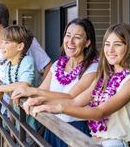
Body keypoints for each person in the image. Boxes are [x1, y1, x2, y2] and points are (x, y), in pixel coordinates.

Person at [28, 23, 130, 147]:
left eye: (117, 45)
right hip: (93, 141)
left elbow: (99, 112)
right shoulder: (104, 77)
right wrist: (40, 102)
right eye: (107, 44)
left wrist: (58, 108)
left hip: (115, 143)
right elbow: (76, 102)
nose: (110, 50)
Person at [11, 18, 99, 146]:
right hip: (52, 125)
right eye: (68, 35)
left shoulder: (93, 68)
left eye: (77, 37)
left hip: (74, 129)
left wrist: (32, 91)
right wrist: (27, 95)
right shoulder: (58, 64)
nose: (70, 41)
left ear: (87, 43)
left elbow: (71, 97)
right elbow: (43, 91)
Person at [0, 1, 51, 89]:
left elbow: (48, 65)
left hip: (26, 98)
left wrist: (39, 92)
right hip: (4, 95)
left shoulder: (23, 40)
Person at [0, 25, 39, 144]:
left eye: (6, 43)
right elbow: (10, 98)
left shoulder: (27, 61)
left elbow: (24, 84)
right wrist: (11, 125)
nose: (1, 46)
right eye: (2, 42)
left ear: (20, 46)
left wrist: (0, 88)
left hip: (30, 124)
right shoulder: (8, 65)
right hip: (17, 122)